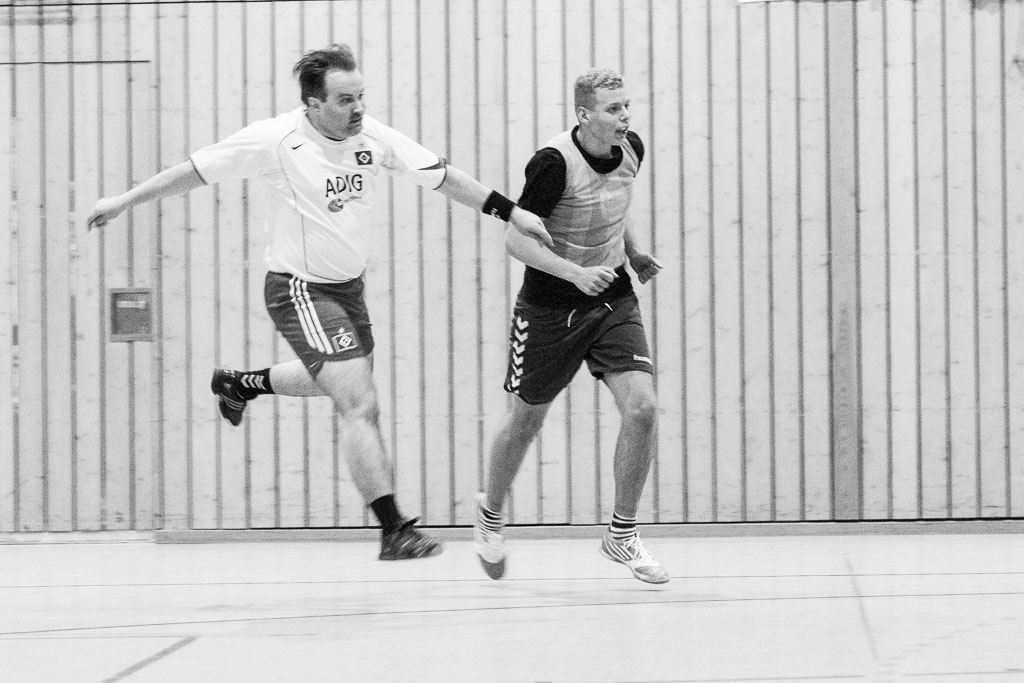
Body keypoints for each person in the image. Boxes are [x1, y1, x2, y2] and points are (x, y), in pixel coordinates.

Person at [87, 44, 551, 562]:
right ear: (313, 104)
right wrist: (124, 201)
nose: (358, 108)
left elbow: (442, 176)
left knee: (335, 380)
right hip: (299, 288)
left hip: (349, 289)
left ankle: (241, 384)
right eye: (345, 100)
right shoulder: (276, 139)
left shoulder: (373, 138)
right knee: (360, 403)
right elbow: (193, 170)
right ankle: (394, 530)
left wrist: (511, 212)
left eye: (360, 97)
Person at [472, 68, 668, 584]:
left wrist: (634, 252)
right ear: (584, 115)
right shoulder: (552, 164)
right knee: (525, 422)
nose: (625, 117)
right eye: (613, 109)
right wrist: (574, 273)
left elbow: (614, 206)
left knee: (643, 408)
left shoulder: (631, 149)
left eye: (626, 107)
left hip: (612, 298)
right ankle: (490, 514)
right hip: (549, 309)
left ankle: (621, 534)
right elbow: (516, 241)